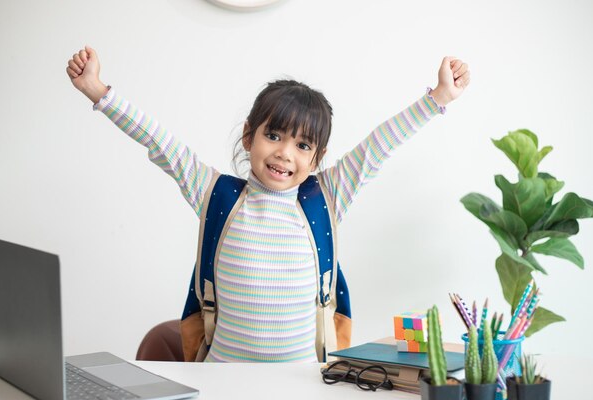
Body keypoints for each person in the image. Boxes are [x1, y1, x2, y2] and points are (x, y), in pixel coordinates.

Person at [66, 46, 470, 363]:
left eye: (302, 145)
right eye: (274, 135)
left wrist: (438, 97)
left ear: (316, 157)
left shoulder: (326, 197)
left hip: (303, 389)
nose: (285, 154)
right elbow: (159, 141)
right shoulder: (217, 195)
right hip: (220, 385)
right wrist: (98, 91)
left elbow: (380, 145)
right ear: (248, 136)